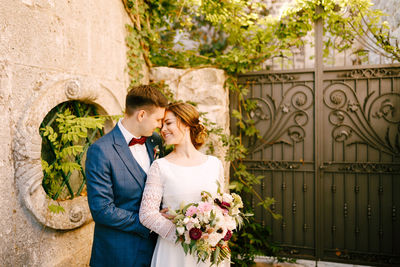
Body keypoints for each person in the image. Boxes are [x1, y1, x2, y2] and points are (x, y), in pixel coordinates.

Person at [85, 84, 168, 267]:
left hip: (157, 253)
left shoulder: (155, 142)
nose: (160, 126)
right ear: (141, 115)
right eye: (158, 119)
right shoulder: (100, 151)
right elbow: (102, 210)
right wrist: (151, 222)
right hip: (118, 254)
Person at [139, 102, 226, 267]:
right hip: (174, 252)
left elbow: (222, 208)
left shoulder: (214, 164)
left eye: (169, 123)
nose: (163, 129)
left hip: (210, 251)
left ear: (186, 123)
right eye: (161, 125)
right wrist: (186, 235)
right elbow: (147, 214)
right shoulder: (160, 166)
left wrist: (219, 233)